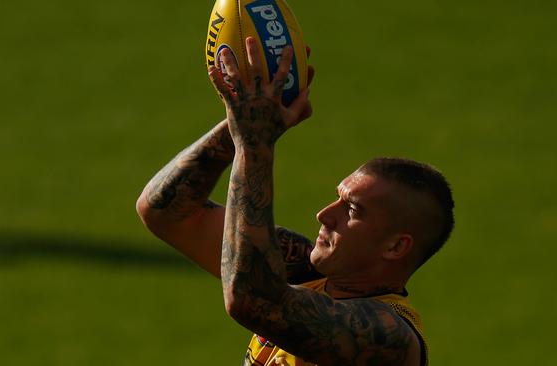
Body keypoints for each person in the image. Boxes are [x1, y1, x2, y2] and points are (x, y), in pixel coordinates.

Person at [136, 38, 454, 366]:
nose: (325, 215)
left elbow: (252, 300)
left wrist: (254, 144)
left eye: (353, 210)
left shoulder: (390, 338)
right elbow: (165, 211)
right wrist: (245, 119)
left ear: (395, 247)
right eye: (337, 199)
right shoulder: (304, 271)